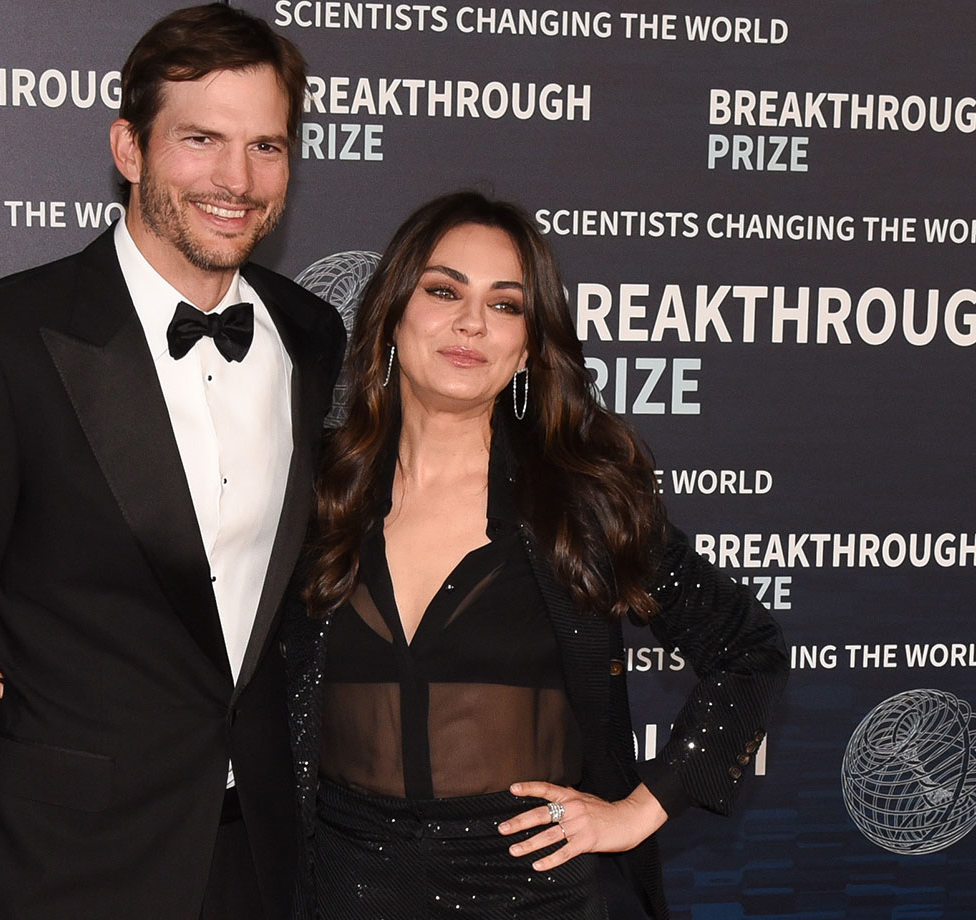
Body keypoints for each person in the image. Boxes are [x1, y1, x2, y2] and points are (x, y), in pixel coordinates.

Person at [0, 5, 345, 920]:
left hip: (257, 858)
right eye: (201, 139)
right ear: (129, 148)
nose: (237, 180)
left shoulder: (312, 338)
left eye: (267, 147)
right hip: (53, 865)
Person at [281, 191, 789, 919]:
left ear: (528, 345)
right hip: (344, 885)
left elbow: (750, 650)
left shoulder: (579, 498)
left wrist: (639, 810)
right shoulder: (315, 490)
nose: (471, 323)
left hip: (534, 893)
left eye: (506, 304)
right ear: (394, 315)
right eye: (444, 290)